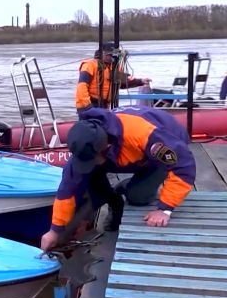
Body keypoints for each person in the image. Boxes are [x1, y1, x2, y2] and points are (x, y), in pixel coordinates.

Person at [40, 106, 196, 252]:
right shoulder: (86, 144)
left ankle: (129, 187)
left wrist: (164, 210)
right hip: (124, 152)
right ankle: (114, 201)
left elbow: (184, 166)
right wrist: (54, 230)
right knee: (89, 175)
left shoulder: (146, 135)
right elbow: (68, 190)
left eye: (92, 159)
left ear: (107, 147)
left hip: (161, 150)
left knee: (138, 197)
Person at [75, 44, 150, 115]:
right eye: (110, 55)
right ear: (103, 53)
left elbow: (123, 83)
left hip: (104, 105)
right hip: (90, 104)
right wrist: (86, 106)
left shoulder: (114, 67)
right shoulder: (90, 65)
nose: (112, 57)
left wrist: (141, 81)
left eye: (113, 56)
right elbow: (82, 86)